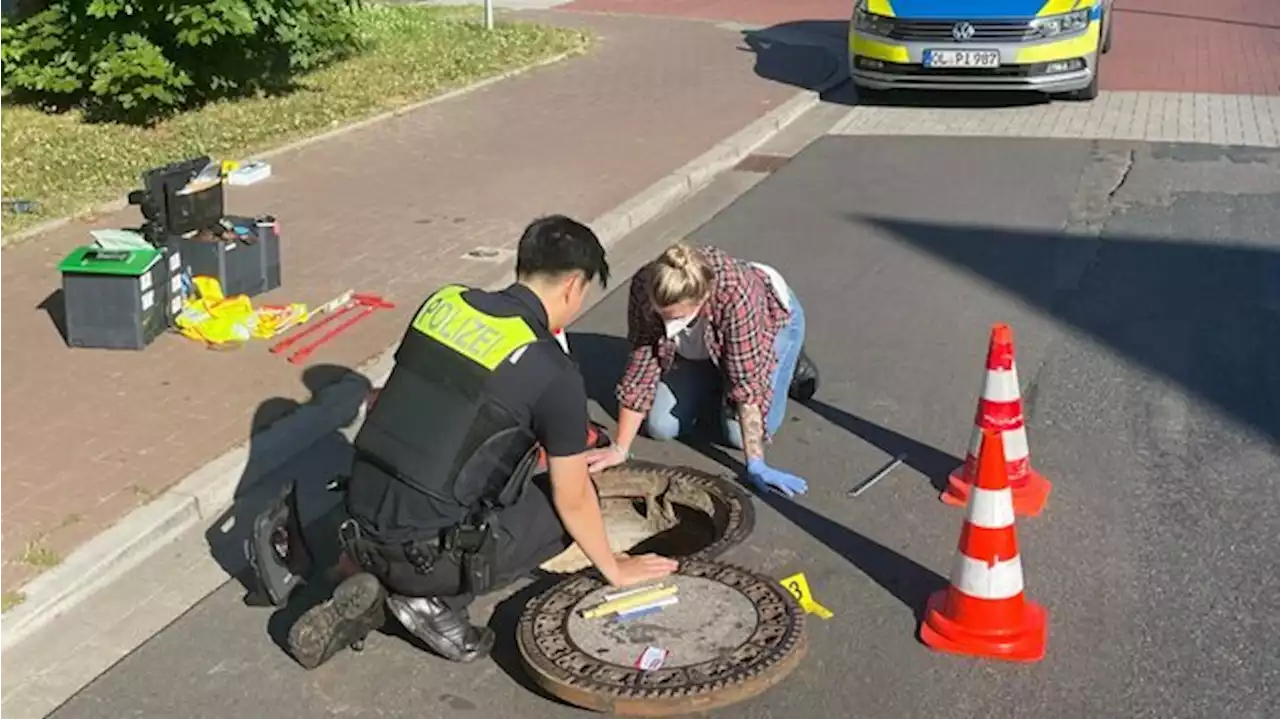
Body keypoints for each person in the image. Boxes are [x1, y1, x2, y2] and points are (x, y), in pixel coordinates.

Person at [286, 215, 679, 670]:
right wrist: (614, 567)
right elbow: (571, 497)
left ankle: (361, 572)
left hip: (356, 522)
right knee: (568, 500)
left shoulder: (444, 303)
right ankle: (430, 600)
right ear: (574, 285)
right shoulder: (552, 370)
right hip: (426, 558)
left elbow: (394, 400)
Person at [584, 242, 818, 497]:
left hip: (768, 322)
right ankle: (718, 369)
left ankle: (789, 361)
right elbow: (643, 363)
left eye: (677, 317)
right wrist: (620, 448)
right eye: (662, 315)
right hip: (701, 340)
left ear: (703, 298)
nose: (667, 325)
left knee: (737, 435)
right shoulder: (645, 284)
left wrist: (756, 464)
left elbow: (747, 387)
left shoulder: (738, 296)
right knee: (661, 426)